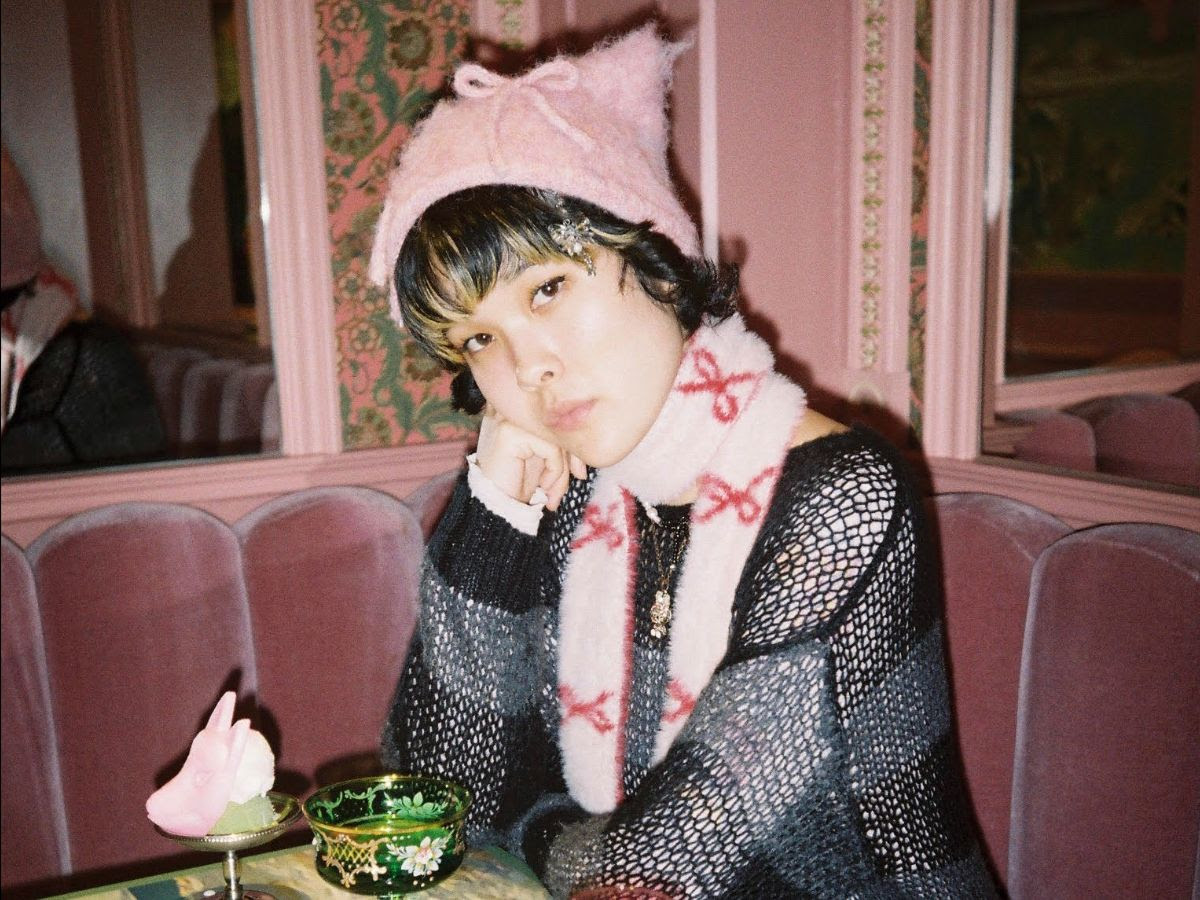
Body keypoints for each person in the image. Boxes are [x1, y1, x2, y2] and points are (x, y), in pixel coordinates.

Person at [370, 26, 997, 899]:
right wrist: (491, 514)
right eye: (479, 339)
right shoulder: (569, 489)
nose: (528, 368)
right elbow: (435, 799)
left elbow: (664, 868)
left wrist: (531, 826)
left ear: (655, 258)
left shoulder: (843, 500)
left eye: (547, 289)